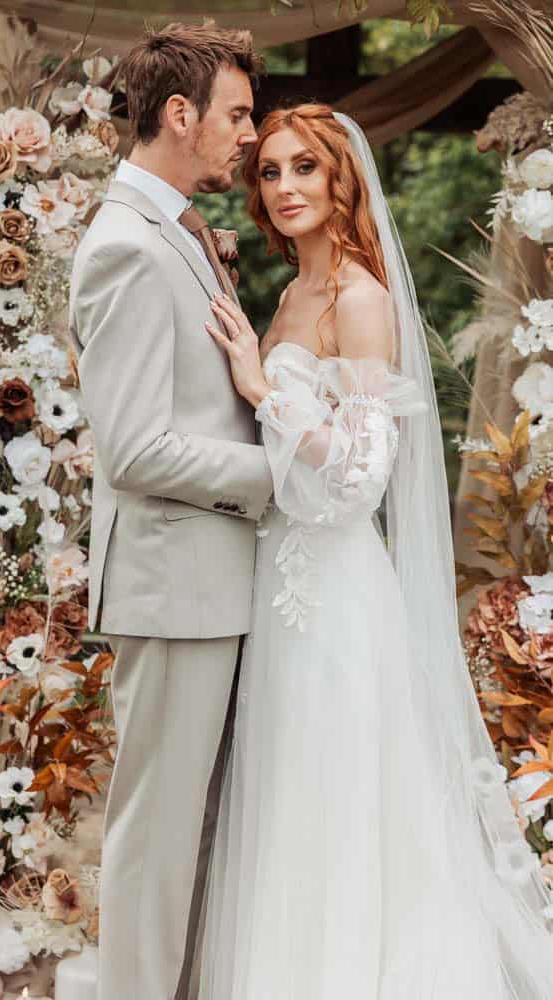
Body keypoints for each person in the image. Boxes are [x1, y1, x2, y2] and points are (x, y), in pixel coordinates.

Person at [196, 104, 553, 999]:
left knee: (341, 785)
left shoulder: (361, 298)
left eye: (304, 169)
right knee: (288, 789)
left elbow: (362, 474)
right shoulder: (291, 295)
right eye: (270, 171)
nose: (283, 188)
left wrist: (262, 392)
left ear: (340, 178)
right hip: (279, 574)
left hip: (339, 585)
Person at [68, 23, 273, 1000]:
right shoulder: (126, 248)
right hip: (173, 584)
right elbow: (137, 446)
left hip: (210, 579)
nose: (249, 134)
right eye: (236, 114)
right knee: (157, 832)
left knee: (196, 825)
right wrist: (282, 472)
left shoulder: (178, 233)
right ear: (180, 114)